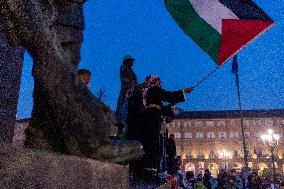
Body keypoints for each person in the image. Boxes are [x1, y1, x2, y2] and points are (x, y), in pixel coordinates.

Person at [139, 75, 193, 178]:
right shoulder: (153, 89)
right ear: (153, 82)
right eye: (158, 81)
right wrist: (184, 91)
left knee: (153, 143)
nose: (160, 83)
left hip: (152, 116)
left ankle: (152, 168)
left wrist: (169, 107)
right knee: (152, 143)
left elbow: (161, 106)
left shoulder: (148, 93)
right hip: (152, 118)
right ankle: (150, 169)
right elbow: (168, 95)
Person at [116, 55, 138, 128]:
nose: (133, 62)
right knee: (123, 109)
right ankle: (121, 126)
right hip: (126, 91)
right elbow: (124, 79)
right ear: (128, 61)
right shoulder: (123, 67)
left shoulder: (130, 69)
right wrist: (131, 86)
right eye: (131, 60)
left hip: (131, 91)